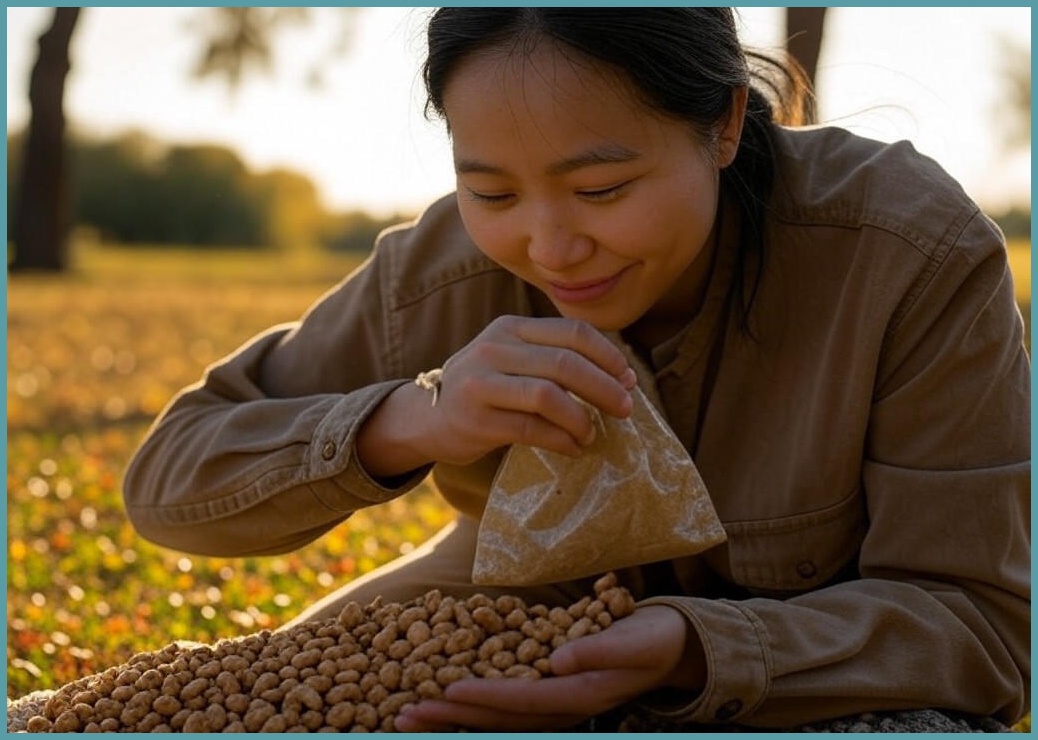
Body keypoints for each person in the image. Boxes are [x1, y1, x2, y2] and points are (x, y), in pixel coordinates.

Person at [122, 7, 1030, 732]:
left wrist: (694, 648)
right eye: (492, 192)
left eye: (601, 190)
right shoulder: (446, 268)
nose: (550, 247)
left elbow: (985, 632)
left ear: (723, 123)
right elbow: (168, 482)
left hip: (819, 661)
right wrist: (416, 418)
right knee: (276, 699)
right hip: (518, 617)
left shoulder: (907, 250)